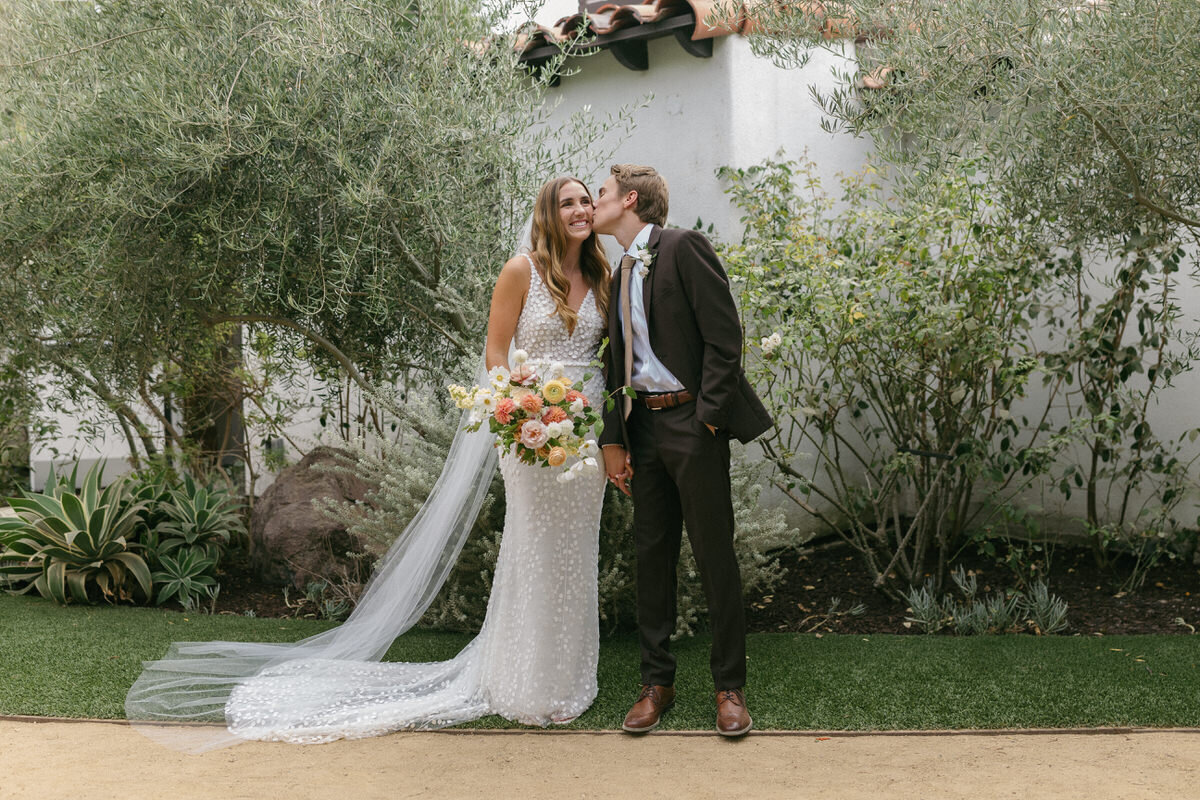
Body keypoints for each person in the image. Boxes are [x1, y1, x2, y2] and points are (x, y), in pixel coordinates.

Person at [125, 177, 611, 748]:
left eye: (585, 201)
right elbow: (495, 353)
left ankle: (568, 675)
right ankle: (523, 681)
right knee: (532, 544)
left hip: (587, 433)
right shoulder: (520, 271)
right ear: (548, 213)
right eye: (567, 202)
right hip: (528, 431)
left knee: (577, 548)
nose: (580, 210)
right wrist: (511, 415)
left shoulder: (604, 276)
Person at [591, 164, 772, 737]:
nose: (593, 204)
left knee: (715, 554)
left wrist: (709, 420)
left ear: (630, 199)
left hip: (692, 423)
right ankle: (656, 683)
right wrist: (613, 437)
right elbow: (613, 363)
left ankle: (729, 688)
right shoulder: (617, 270)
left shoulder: (683, 246)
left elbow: (725, 338)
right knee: (652, 556)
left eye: (600, 194)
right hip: (641, 427)